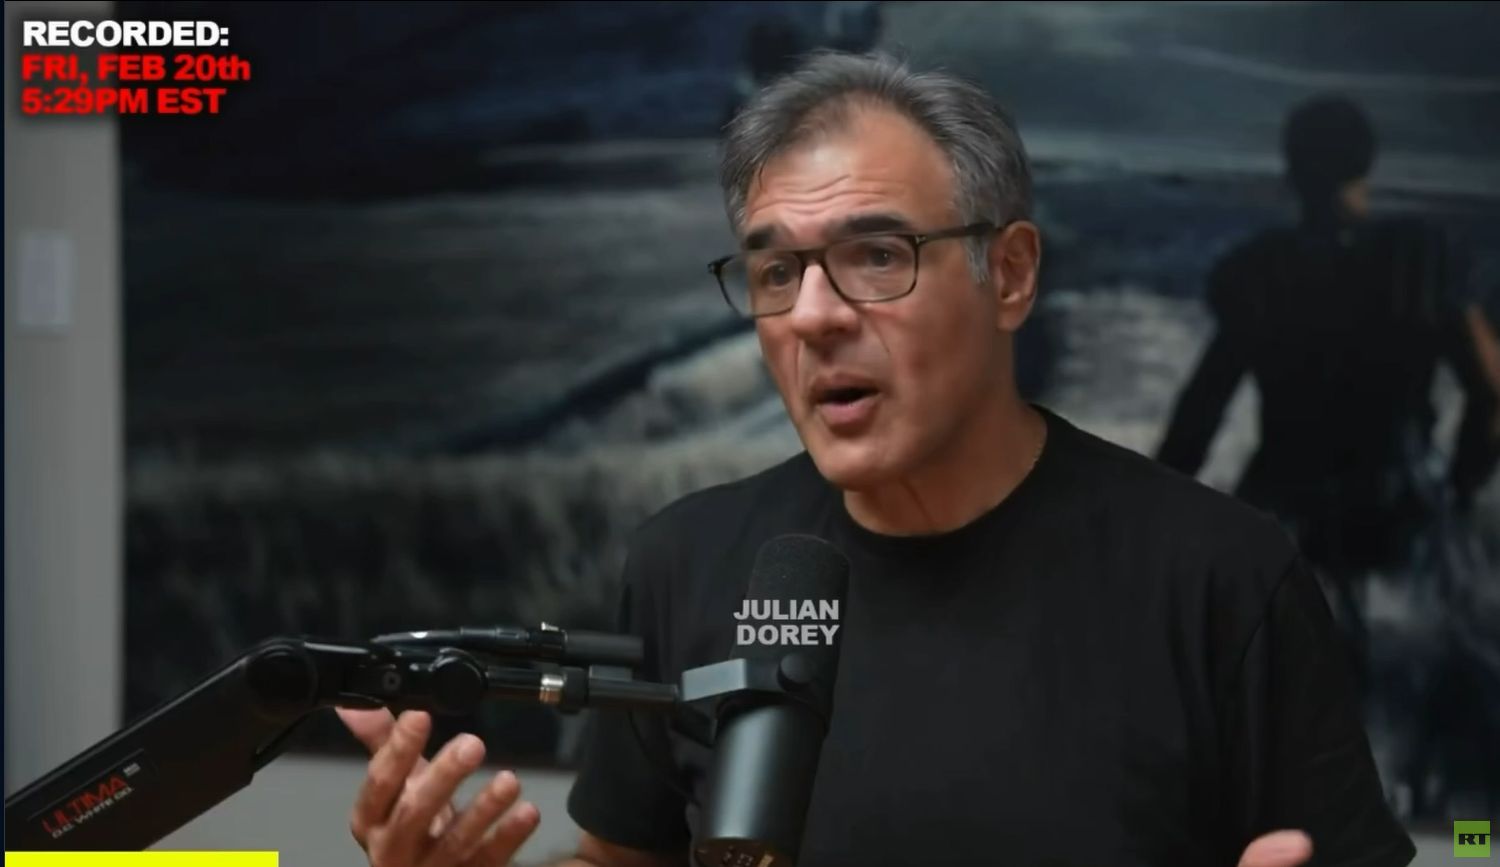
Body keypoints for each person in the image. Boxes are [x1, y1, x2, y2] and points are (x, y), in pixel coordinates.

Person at [336, 52, 1417, 867]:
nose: (813, 316)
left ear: (1009, 274)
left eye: (875, 255)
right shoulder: (688, 561)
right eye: (776, 273)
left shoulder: (1222, 578)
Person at [1155, 95, 1500, 685]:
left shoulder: (1258, 277)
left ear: (1291, 173)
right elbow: (1492, 394)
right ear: (1368, 165)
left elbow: (1199, 418)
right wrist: (1461, 491)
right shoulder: (1424, 262)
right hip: (1401, 504)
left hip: (1289, 513)